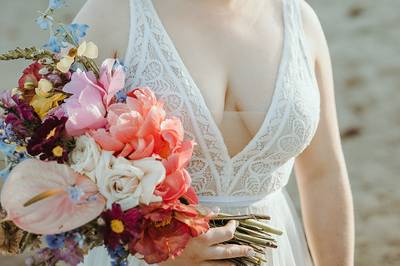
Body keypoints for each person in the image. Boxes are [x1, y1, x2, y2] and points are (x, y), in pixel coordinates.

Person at [75, 0, 354, 265]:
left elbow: (323, 172)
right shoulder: (111, 15)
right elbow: (51, 175)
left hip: (275, 254)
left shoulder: (300, 20)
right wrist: (146, 245)